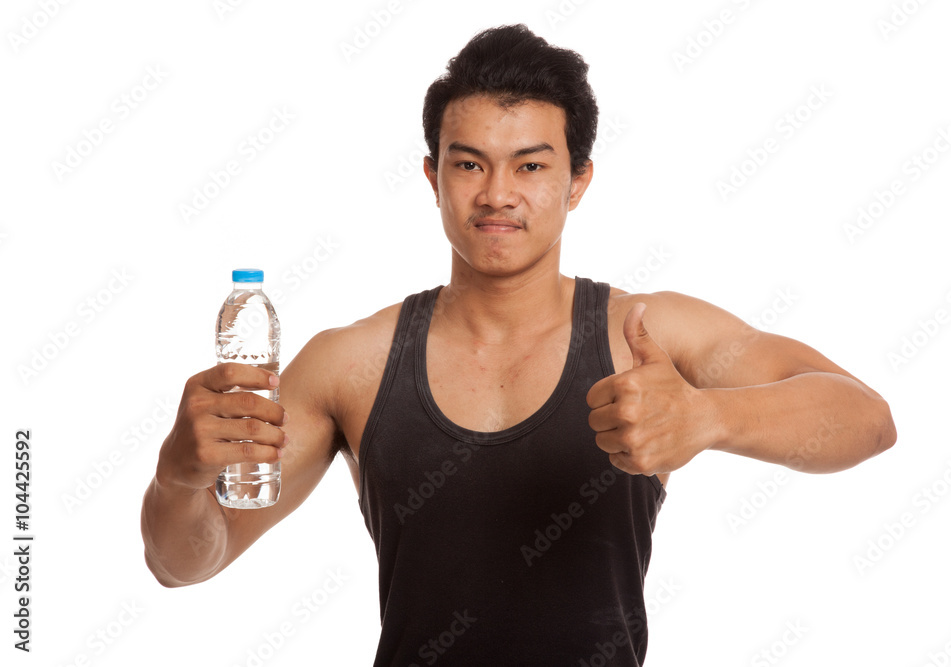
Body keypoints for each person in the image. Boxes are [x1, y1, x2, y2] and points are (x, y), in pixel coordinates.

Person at [141, 24, 896, 666]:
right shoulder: (350, 364)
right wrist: (178, 475)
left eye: (531, 165)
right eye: (469, 164)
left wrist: (708, 418)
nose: (497, 193)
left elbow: (865, 418)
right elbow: (183, 561)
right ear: (434, 178)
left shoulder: (645, 336)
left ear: (577, 181)